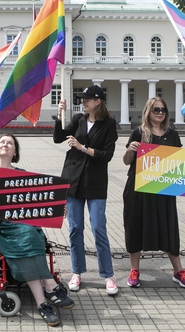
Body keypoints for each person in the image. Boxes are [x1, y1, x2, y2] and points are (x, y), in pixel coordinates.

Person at [0, 134, 75, 327]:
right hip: (2, 228)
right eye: (2, 142)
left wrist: (58, 209)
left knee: (31, 234)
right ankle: (49, 288)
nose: (6, 145)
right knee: (29, 236)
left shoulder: (22, 175)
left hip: (25, 226)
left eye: (10, 143)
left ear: (15, 151)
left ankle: (43, 301)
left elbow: (40, 204)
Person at [122, 97, 185, 289]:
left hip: (163, 190)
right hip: (138, 189)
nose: (160, 113)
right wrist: (130, 149)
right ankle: (134, 270)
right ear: (148, 111)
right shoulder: (138, 132)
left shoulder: (172, 134)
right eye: (156, 109)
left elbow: (181, 162)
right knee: (136, 226)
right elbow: (126, 161)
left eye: (163, 110)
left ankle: (178, 271)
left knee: (168, 228)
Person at [54, 85, 119, 295]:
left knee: (99, 228)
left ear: (97, 101)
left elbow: (107, 154)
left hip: (96, 182)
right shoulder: (78, 120)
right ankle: (77, 272)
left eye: (87, 99)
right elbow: (58, 137)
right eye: (82, 99)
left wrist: (82, 148)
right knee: (75, 229)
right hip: (73, 180)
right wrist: (59, 116)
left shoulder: (109, 124)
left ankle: (108, 275)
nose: (83, 102)